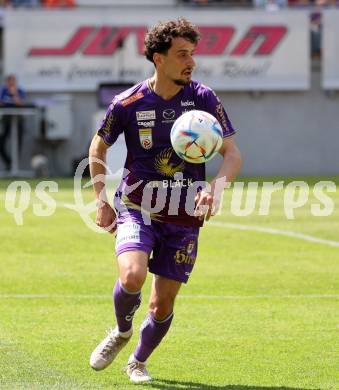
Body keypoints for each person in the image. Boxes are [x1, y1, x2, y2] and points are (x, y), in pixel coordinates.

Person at [88, 17, 242, 383]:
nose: (191, 62)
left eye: (193, 54)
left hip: (184, 214)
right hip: (138, 206)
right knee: (132, 275)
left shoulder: (202, 99)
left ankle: (138, 360)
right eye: (182, 54)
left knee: (162, 304)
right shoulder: (128, 102)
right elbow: (98, 145)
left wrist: (214, 188)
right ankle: (122, 331)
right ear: (158, 58)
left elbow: (232, 153)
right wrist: (100, 199)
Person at [0, 74, 26, 170]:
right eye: (9, 81)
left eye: (13, 81)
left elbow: (21, 103)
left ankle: (13, 165)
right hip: (7, 120)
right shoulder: (3, 91)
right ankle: (9, 163)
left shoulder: (19, 91)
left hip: (17, 120)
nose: (11, 83)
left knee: (18, 142)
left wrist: (14, 94)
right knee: (2, 142)